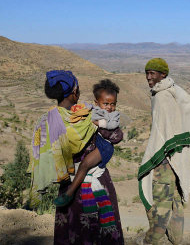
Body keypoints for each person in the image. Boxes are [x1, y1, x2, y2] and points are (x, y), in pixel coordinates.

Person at [28, 70, 124, 244]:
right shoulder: (85, 115)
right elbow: (115, 135)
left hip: (67, 181)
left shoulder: (47, 120)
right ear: (74, 92)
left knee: (71, 230)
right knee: (99, 231)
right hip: (96, 184)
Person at [138, 58, 190, 244]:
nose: (149, 77)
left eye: (153, 73)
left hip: (164, 162)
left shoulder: (162, 96)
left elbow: (162, 132)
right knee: (175, 201)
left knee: (160, 204)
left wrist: (154, 155)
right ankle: (176, 239)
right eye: (147, 73)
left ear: (162, 74)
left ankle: (152, 240)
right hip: (175, 159)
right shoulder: (173, 89)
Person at [53, 79, 123, 207]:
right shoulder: (93, 111)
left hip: (105, 146)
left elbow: (115, 129)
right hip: (99, 145)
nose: (109, 107)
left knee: (85, 164)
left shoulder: (113, 115)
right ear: (96, 103)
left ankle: (70, 193)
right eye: (106, 103)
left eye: (113, 104)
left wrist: (99, 124)